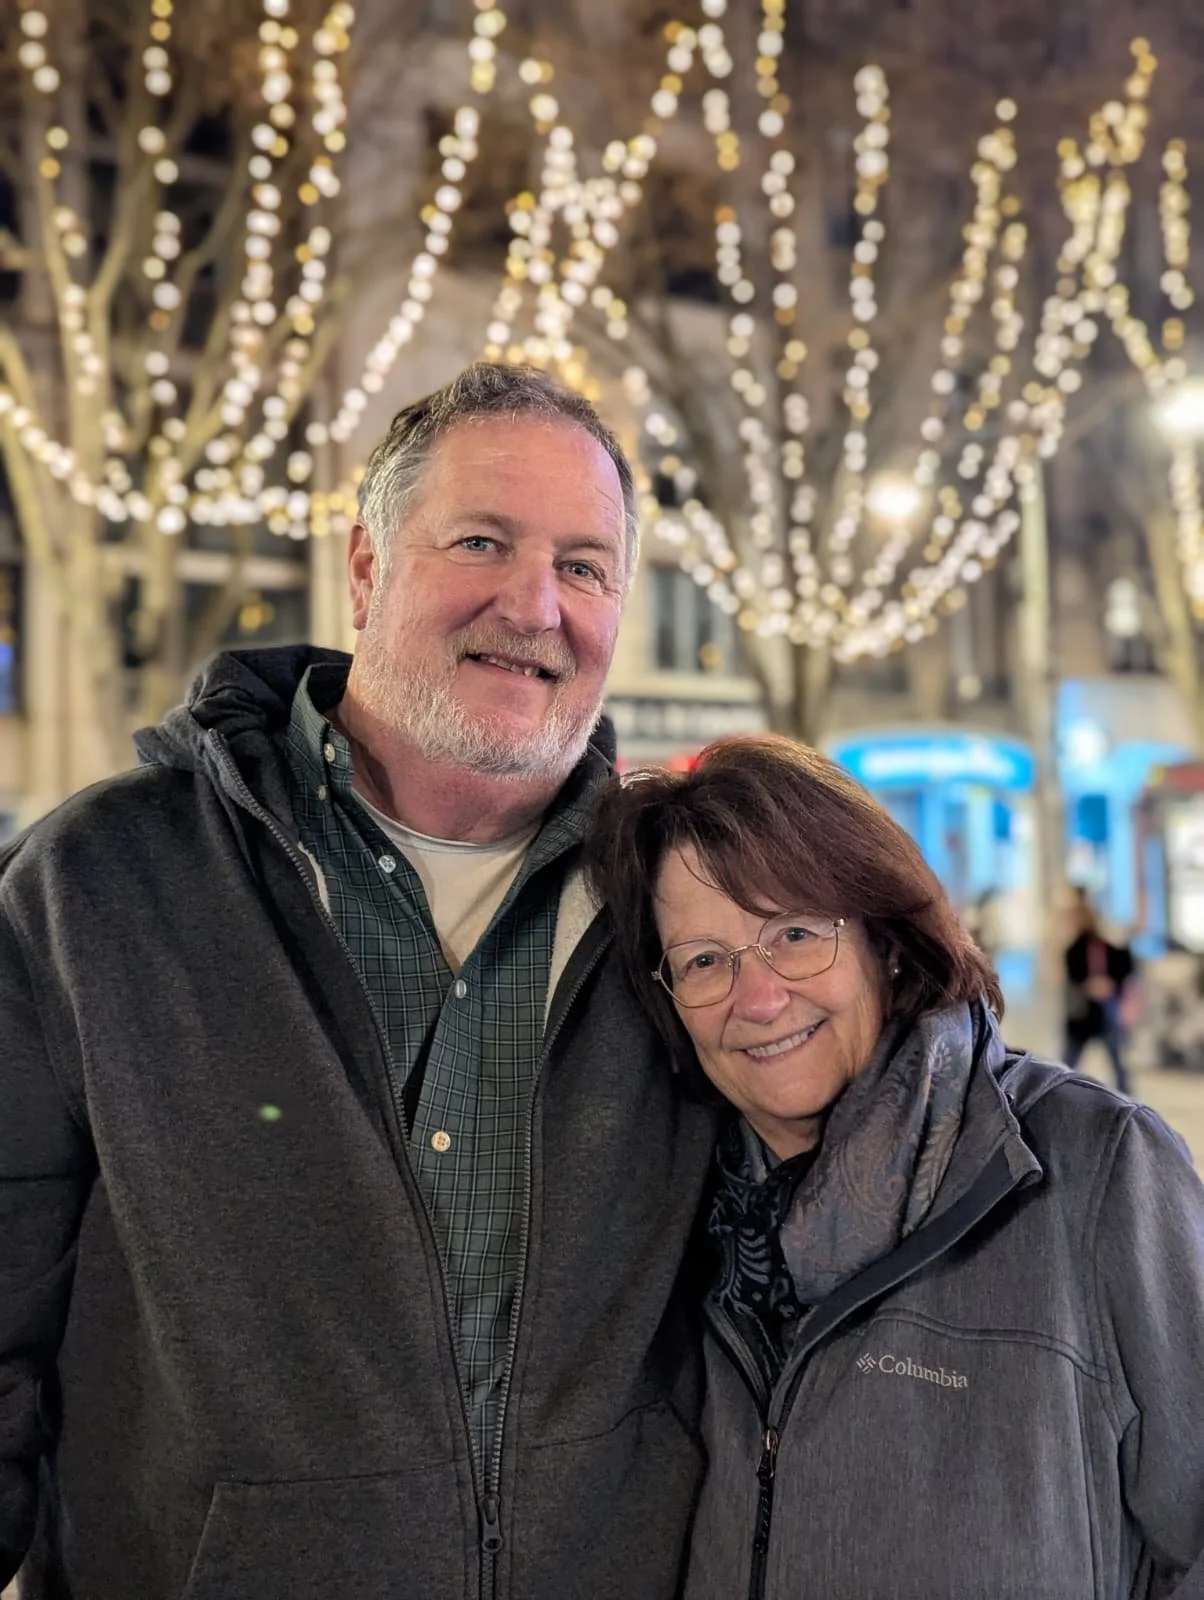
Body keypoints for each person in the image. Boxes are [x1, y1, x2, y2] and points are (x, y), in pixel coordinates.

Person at [0, 363, 718, 1600]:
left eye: (586, 565)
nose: (536, 604)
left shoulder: (692, 904)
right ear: (369, 567)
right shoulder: (99, 883)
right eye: (481, 540)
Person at [589, 734, 1204, 1600]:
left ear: (885, 940)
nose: (758, 998)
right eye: (703, 962)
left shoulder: (1096, 1169)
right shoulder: (689, 1230)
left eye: (796, 933)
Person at [1063, 891, 1136, 1095]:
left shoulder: (1109, 947)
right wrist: (1090, 985)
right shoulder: (1074, 949)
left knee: (1117, 1060)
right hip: (1082, 1013)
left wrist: (1110, 985)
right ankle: (1061, 1094)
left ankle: (1127, 1096)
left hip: (1106, 1011)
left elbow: (1125, 969)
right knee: (1069, 1060)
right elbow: (1074, 977)